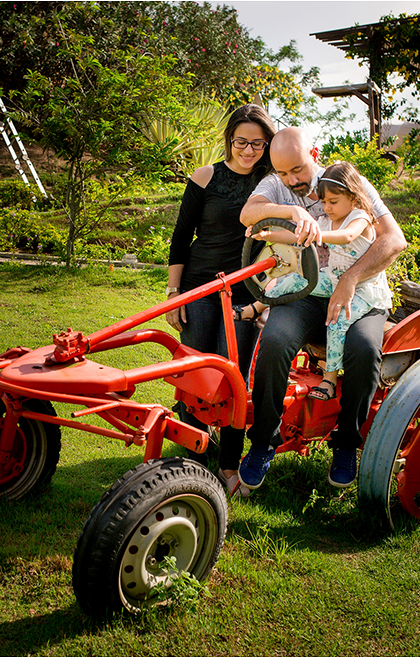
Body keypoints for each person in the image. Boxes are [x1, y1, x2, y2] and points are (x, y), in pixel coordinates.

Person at [238, 127, 407, 489]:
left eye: (297, 170)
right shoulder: (277, 184)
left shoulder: (346, 183)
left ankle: (345, 444)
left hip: (359, 293)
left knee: (364, 349)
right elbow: (248, 213)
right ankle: (263, 442)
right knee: (276, 339)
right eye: (282, 172)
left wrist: (351, 278)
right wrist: (290, 213)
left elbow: (394, 239)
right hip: (311, 291)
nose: (291, 180)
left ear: (313, 155)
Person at [165, 104, 277, 497]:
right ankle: (191, 457)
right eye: (241, 141)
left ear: (268, 145)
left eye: (258, 144)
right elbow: (181, 238)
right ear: (229, 139)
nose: (248, 150)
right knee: (195, 375)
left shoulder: (271, 184)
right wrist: (174, 293)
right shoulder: (205, 176)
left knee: (233, 378)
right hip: (198, 286)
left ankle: (229, 464)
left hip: (244, 292)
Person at [245, 161, 394, 402]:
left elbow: (347, 236)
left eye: (333, 202)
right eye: (324, 202)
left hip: (362, 289)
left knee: (335, 322)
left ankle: (329, 379)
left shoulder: (361, 217)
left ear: (353, 198)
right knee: (296, 280)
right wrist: (268, 235)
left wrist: (316, 235)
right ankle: (257, 307)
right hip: (333, 279)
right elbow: (295, 235)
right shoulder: (326, 220)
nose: (327, 207)